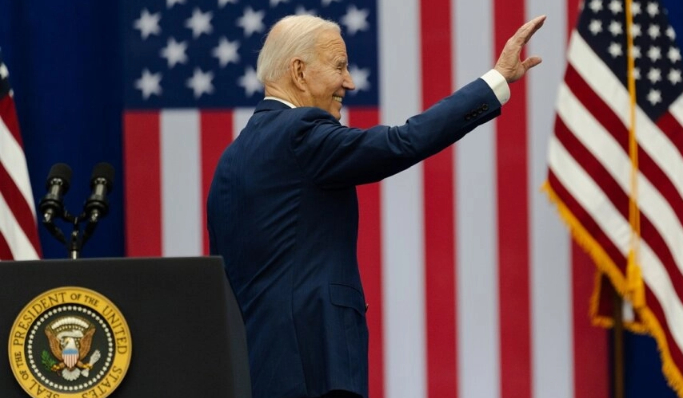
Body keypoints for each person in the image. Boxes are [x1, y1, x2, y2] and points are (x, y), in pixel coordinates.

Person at [207, 13, 546, 398]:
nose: (349, 82)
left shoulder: (229, 162)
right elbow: (401, 143)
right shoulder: (300, 134)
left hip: (255, 372)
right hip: (313, 364)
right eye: (339, 67)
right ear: (299, 72)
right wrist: (495, 82)